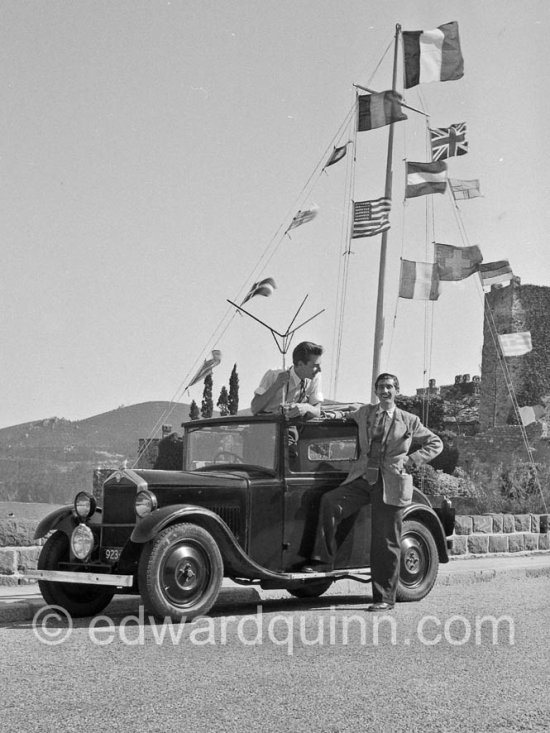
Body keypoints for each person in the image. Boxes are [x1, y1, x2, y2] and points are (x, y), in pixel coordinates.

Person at [303, 372, 442, 612]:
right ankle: (323, 564)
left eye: (389, 387)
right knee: (330, 501)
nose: (384, 391)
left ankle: (384, 598)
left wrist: (413, 459)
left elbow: (435, 443)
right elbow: (339, 414)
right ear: (376, 391)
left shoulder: (409, 420)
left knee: (385, 541)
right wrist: (310, 410)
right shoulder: (365, 413)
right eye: (380, 387)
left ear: (396, 390)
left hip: (391, 484)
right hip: (363, 479)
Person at [251, 341, 323, 418]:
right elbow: (254, 408)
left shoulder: (315, 377)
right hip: (267, 424)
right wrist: (276, 386)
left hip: (292, 424)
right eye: (315, 366)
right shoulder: (273, 374)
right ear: (300, 364)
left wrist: (306, 407)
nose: (319, 370)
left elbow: (317, 412)